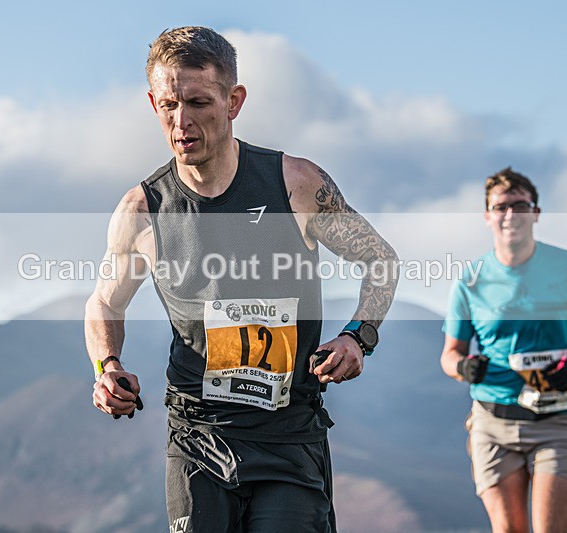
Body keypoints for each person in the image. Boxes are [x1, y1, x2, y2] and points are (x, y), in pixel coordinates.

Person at [84, 26, 398, 532]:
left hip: (288, 436)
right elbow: (103, 302)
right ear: (152, 103)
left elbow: (380, 260)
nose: (181, 121)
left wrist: (358, 336)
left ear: (235, 101)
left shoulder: (295, 185)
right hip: (197, 436)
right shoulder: (142, 212)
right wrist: (106, 365)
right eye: (168, 104)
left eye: (199, 102)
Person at [440, 167, 567, 533]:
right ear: (487, 216)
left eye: (520, 205)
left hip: (556, 418)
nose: (510, 214)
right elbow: (450, 355)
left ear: (536, 213)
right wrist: (467, 368)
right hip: (493, 421)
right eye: (500, 206)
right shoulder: (471, 278)